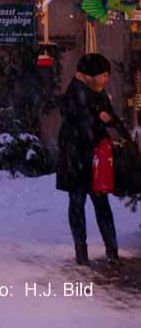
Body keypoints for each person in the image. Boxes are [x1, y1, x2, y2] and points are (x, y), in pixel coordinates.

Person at [56, 53, 123, 266]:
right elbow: (85, 126)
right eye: (103, 75)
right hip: (77, 157)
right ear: (90, 75)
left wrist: (108, 118)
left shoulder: (97, 92)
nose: (106, 80)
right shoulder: (76, 93)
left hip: (93, 159)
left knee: (96, 202)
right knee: (79, 202)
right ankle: (83, 252)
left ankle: (110, 250)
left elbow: (111, 118)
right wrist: (100, 119)